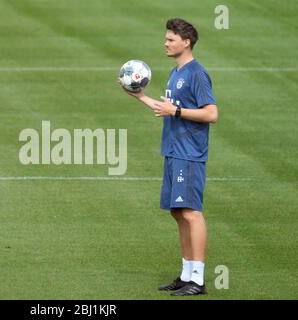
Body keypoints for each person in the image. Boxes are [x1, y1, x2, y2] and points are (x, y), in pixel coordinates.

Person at [121, 18, 218, 295]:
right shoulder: (176, 73)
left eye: (171, 39)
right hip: (174, 152)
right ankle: (186, 274)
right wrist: (138, 96)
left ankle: (197, 280)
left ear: (185, 42)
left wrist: (175, 112)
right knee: (178, 212)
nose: (165, 42)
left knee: (191, 212)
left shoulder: (196, 74)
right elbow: (165, 107)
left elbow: (211, 114)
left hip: (189, 154)